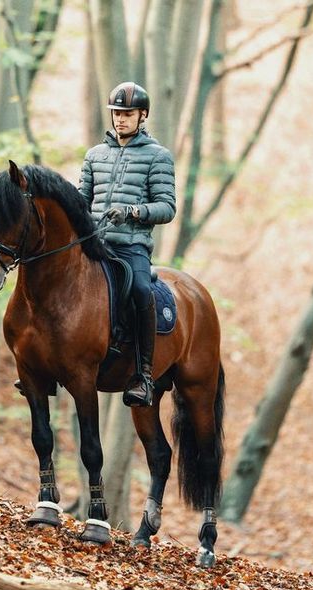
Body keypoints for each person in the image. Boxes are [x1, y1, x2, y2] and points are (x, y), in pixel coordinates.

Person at [79, 81, 176, 407]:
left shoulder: (158, 156)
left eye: (127, 114)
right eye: (117, 113)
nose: (120, 119)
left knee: (139, 291)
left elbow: (167, 207)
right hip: (94, 244)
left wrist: (134, 211)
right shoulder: (94, 155)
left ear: (142, 115)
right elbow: (82, 201)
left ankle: (144, 375)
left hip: (131, 246)